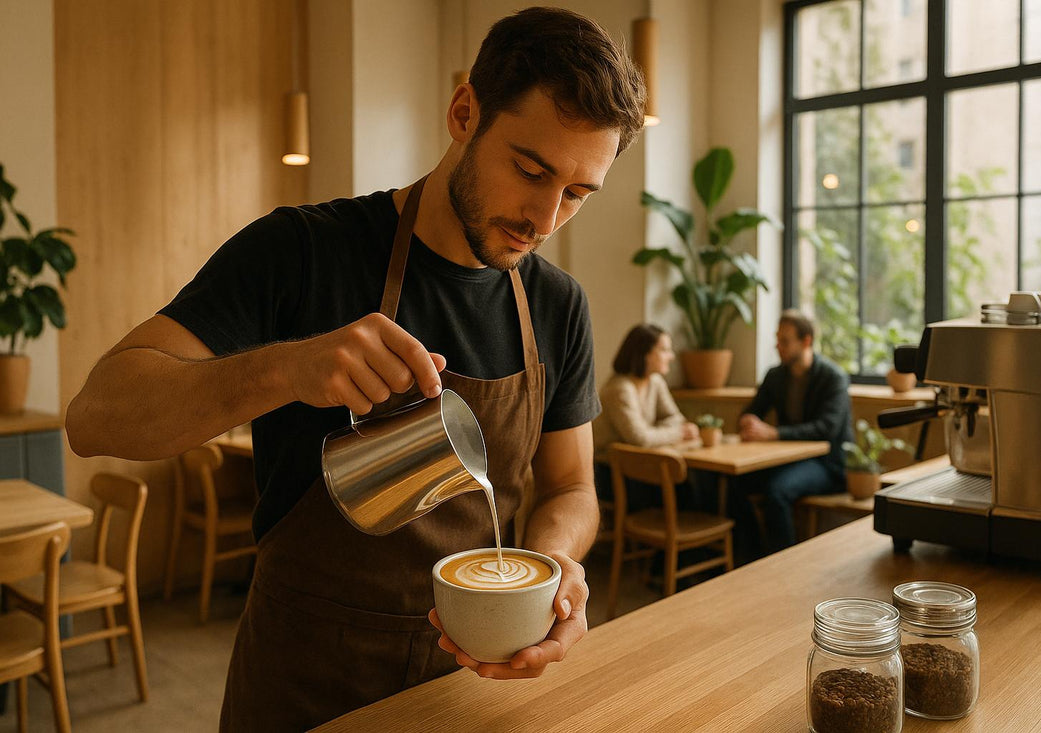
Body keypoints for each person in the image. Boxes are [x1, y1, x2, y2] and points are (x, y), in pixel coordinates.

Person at [65, 7, 646, 730]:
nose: (545, 217)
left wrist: (553, 568)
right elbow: (95, 415)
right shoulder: (303, 251)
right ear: (463, 111)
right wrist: (285, 370)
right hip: (304, 680)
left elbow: (570, 486)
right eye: (531, 169)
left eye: (577, 194)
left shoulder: (558, 306)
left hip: (470, 682)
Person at [734, 309, 853, 554]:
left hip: (828, 464)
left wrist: (773, 434)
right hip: (788, 460)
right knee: (732, 484)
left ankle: (781, 563)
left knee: (776, 491)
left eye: (785, 340)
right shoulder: (776, 375)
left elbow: (826, 429)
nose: (778, 346)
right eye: (777, 339)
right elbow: (753, 410)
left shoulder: (834, 377)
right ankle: (751, 558)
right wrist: (748, 421)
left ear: (806, 341)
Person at [591, 324, 705, 513]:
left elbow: (675, 418)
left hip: (639, 467)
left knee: (698, 481)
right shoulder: (620, 389)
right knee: (686, 487)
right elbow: (639, 439)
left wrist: (661, 431)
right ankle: (677, 540)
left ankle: (687, 540)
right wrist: (678, 432)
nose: (672, 356)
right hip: (609, 473)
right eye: (664, 350)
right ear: (644, 353)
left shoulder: (655, 382)